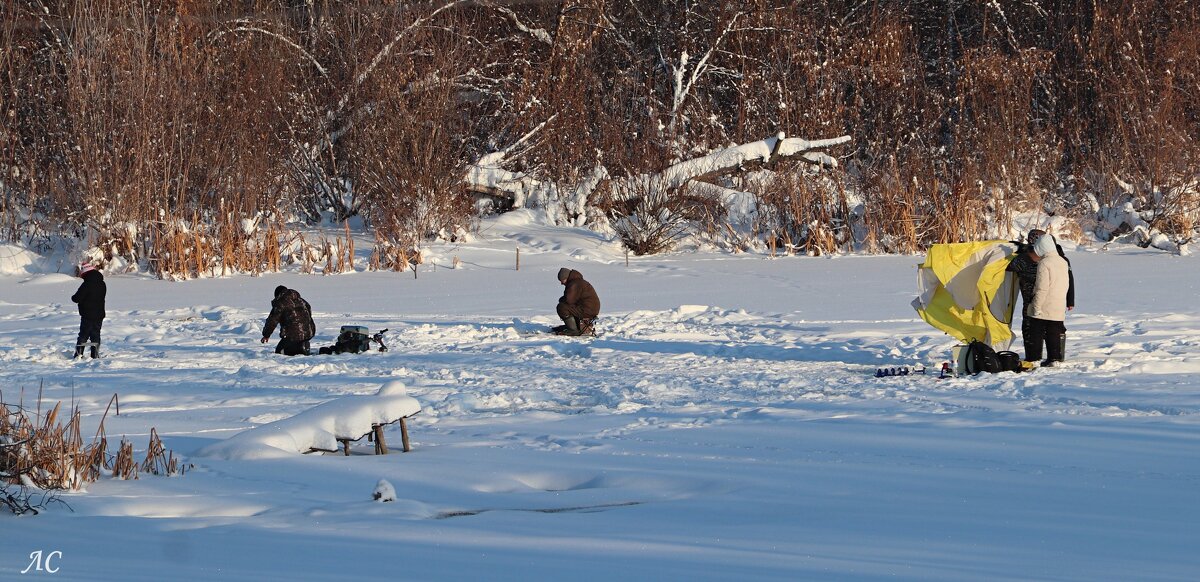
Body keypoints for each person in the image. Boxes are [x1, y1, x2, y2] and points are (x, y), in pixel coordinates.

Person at [1008, 229, 1075, 361]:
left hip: (1041, 299)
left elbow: (1068, 280)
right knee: (1037, 329)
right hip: (1038, 300)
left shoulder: (1056, 259)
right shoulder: (1025, 258)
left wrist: (1070, 300)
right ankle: (1044, 357)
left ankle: (1048, 357)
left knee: (1047, 329)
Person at [1025, 234, 1070, 366]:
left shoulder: (1044, 263)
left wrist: (1036, 306)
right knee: (1054, 332)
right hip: (1059, 302)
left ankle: (1034, 358)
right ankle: (1054, 358)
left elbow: (1041, 287)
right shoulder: (1063, 261)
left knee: (1035, 330)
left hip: (1045, 303)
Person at [261, 285, 316, 355]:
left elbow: (272, 320)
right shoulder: (301, 300)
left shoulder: (280, 303)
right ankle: (302, 345)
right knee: (295, 340)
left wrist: (266, 335)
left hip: (293, 335)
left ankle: (299, 348)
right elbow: (308, 311)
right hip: (309, 332)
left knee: (279, 352)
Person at [71, 262, 106, 358]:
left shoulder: (86, 284)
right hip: (99, 314)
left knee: (83, 335)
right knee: (96, 335)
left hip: (87, 314)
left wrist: (74, 297)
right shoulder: (102, 283)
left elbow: (76, 298)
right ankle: (95, 355)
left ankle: (79, 354)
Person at [553, 268, 600, 336]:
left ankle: (573, 330)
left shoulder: (574, 284)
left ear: (567, 277)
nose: (561, 283)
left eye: (562, 280)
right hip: (590, 308)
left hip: (587, 309)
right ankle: (572, 326)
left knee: (561, 307)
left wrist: (561, 300)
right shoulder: (578, 282)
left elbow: (569, 300)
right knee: (567, 306)